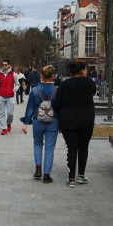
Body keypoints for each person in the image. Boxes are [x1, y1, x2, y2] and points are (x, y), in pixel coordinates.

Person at [53, 60, 96, 188]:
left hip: (68, 121)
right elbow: (92, 93)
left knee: (72, 148)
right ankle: (81, 175)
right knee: (83, 147)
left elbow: (57, 104)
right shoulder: (89, 84)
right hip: (86, 121)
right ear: (82, 70)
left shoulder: (64, 85)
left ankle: (71, 178)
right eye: (86, 69)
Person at [20, 65, 59, 184]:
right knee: (49, 148)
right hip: (53, 121)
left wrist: (26, 122)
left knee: (37, 144)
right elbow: (60, 108)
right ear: (52, 76)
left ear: (41, 75)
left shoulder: (35, 90)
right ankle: (47, 175)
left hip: (38, 120)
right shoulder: (57, 90)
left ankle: (38, 170)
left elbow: (30, 108)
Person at [0, 59, 19, 135]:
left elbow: (17, 84)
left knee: (10, 113)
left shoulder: (14, 74)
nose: (4, 66)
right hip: (1, 96)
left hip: (10, 96)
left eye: (5, 64)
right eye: (3, 64)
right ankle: (4, 128)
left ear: (9, 65)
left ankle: (8, 123)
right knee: (1, 113)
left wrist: (13, 90)